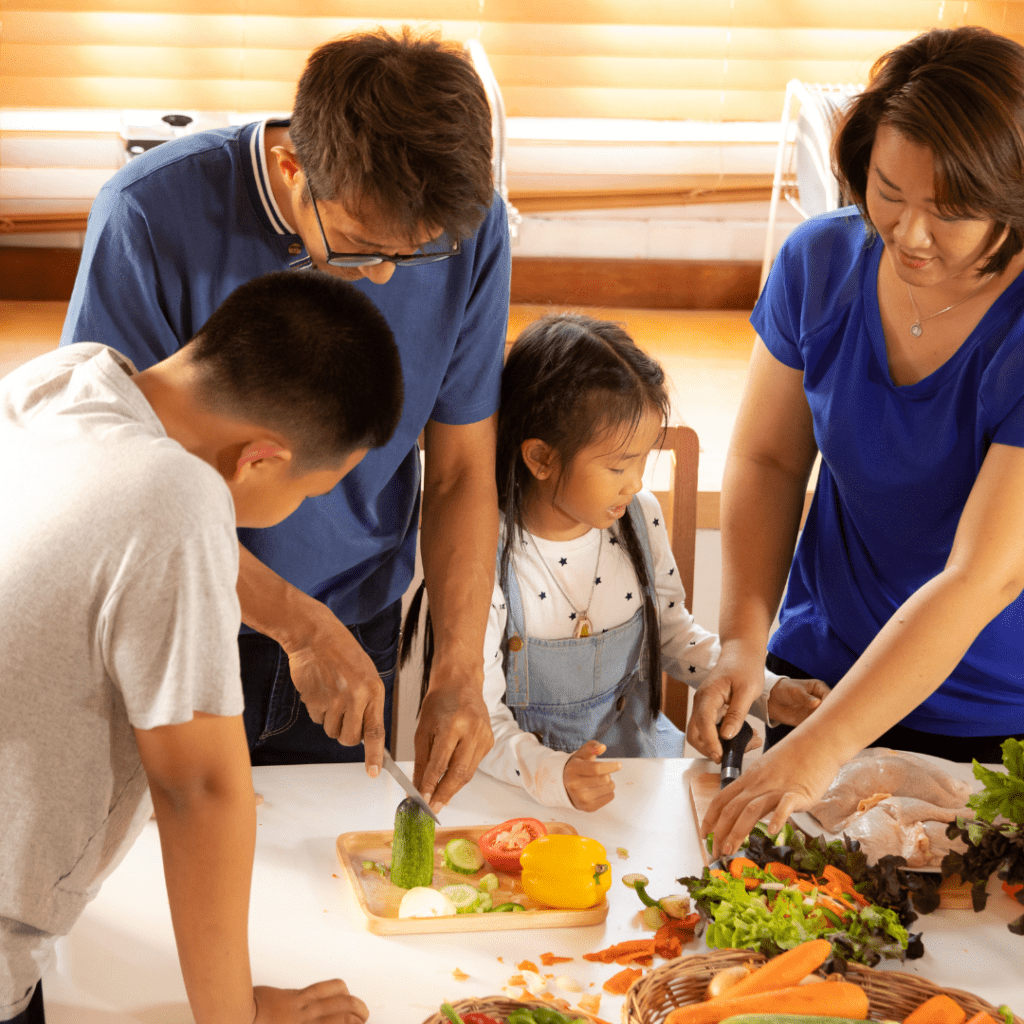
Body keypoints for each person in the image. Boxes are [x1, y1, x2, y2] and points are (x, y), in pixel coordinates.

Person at [59, 27, 511, 808]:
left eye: (416, 256)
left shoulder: (467, 228)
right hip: (180, 617)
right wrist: (295, 625)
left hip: (356, 627)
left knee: (318, 882)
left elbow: (463, 470)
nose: (381, 277)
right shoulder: (146, 215)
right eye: (363, 245)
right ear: (291, 166)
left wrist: (459, 668)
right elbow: (111, 481)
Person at [0, 271, 403, 1024]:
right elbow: (201, 794)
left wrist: (299, 622)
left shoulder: (64, 380)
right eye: (308, 492)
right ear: (259, 459)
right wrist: (236, 1019)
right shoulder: (182, 496)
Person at [692, 25, 1024, 858]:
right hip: (814, 682)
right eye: (889, 191)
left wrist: (819, 755)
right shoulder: (819, 263)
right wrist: (740, 637)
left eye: (949, 213)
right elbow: (768, 460)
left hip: (989, 725)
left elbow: (978, 579)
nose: (909, 233)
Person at [405, 313, 829, 810]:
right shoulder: (485, 552)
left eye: (643, 459)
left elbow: (674, 635)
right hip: (520, 794)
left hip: (638, 782)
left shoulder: (639, 519)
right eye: (617, 465)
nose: (634, 483)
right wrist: (553, 773)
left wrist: (764, 691)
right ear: (541, 458)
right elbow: (481, 716)